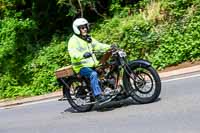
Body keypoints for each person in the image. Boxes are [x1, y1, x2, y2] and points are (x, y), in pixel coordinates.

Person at [68, 18, 111, 103]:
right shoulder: (73, 41)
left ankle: (110, 89)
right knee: (93, 74)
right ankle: (98, 95)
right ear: (77, 29)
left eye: (85, 27)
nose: (85, 29)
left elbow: (98, 45)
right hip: (81, 66)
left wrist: (109, 47)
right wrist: (83, 55)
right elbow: (73, 54)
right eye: (82, 28)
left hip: (92, 64)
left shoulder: (88, 38)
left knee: (108, 67)